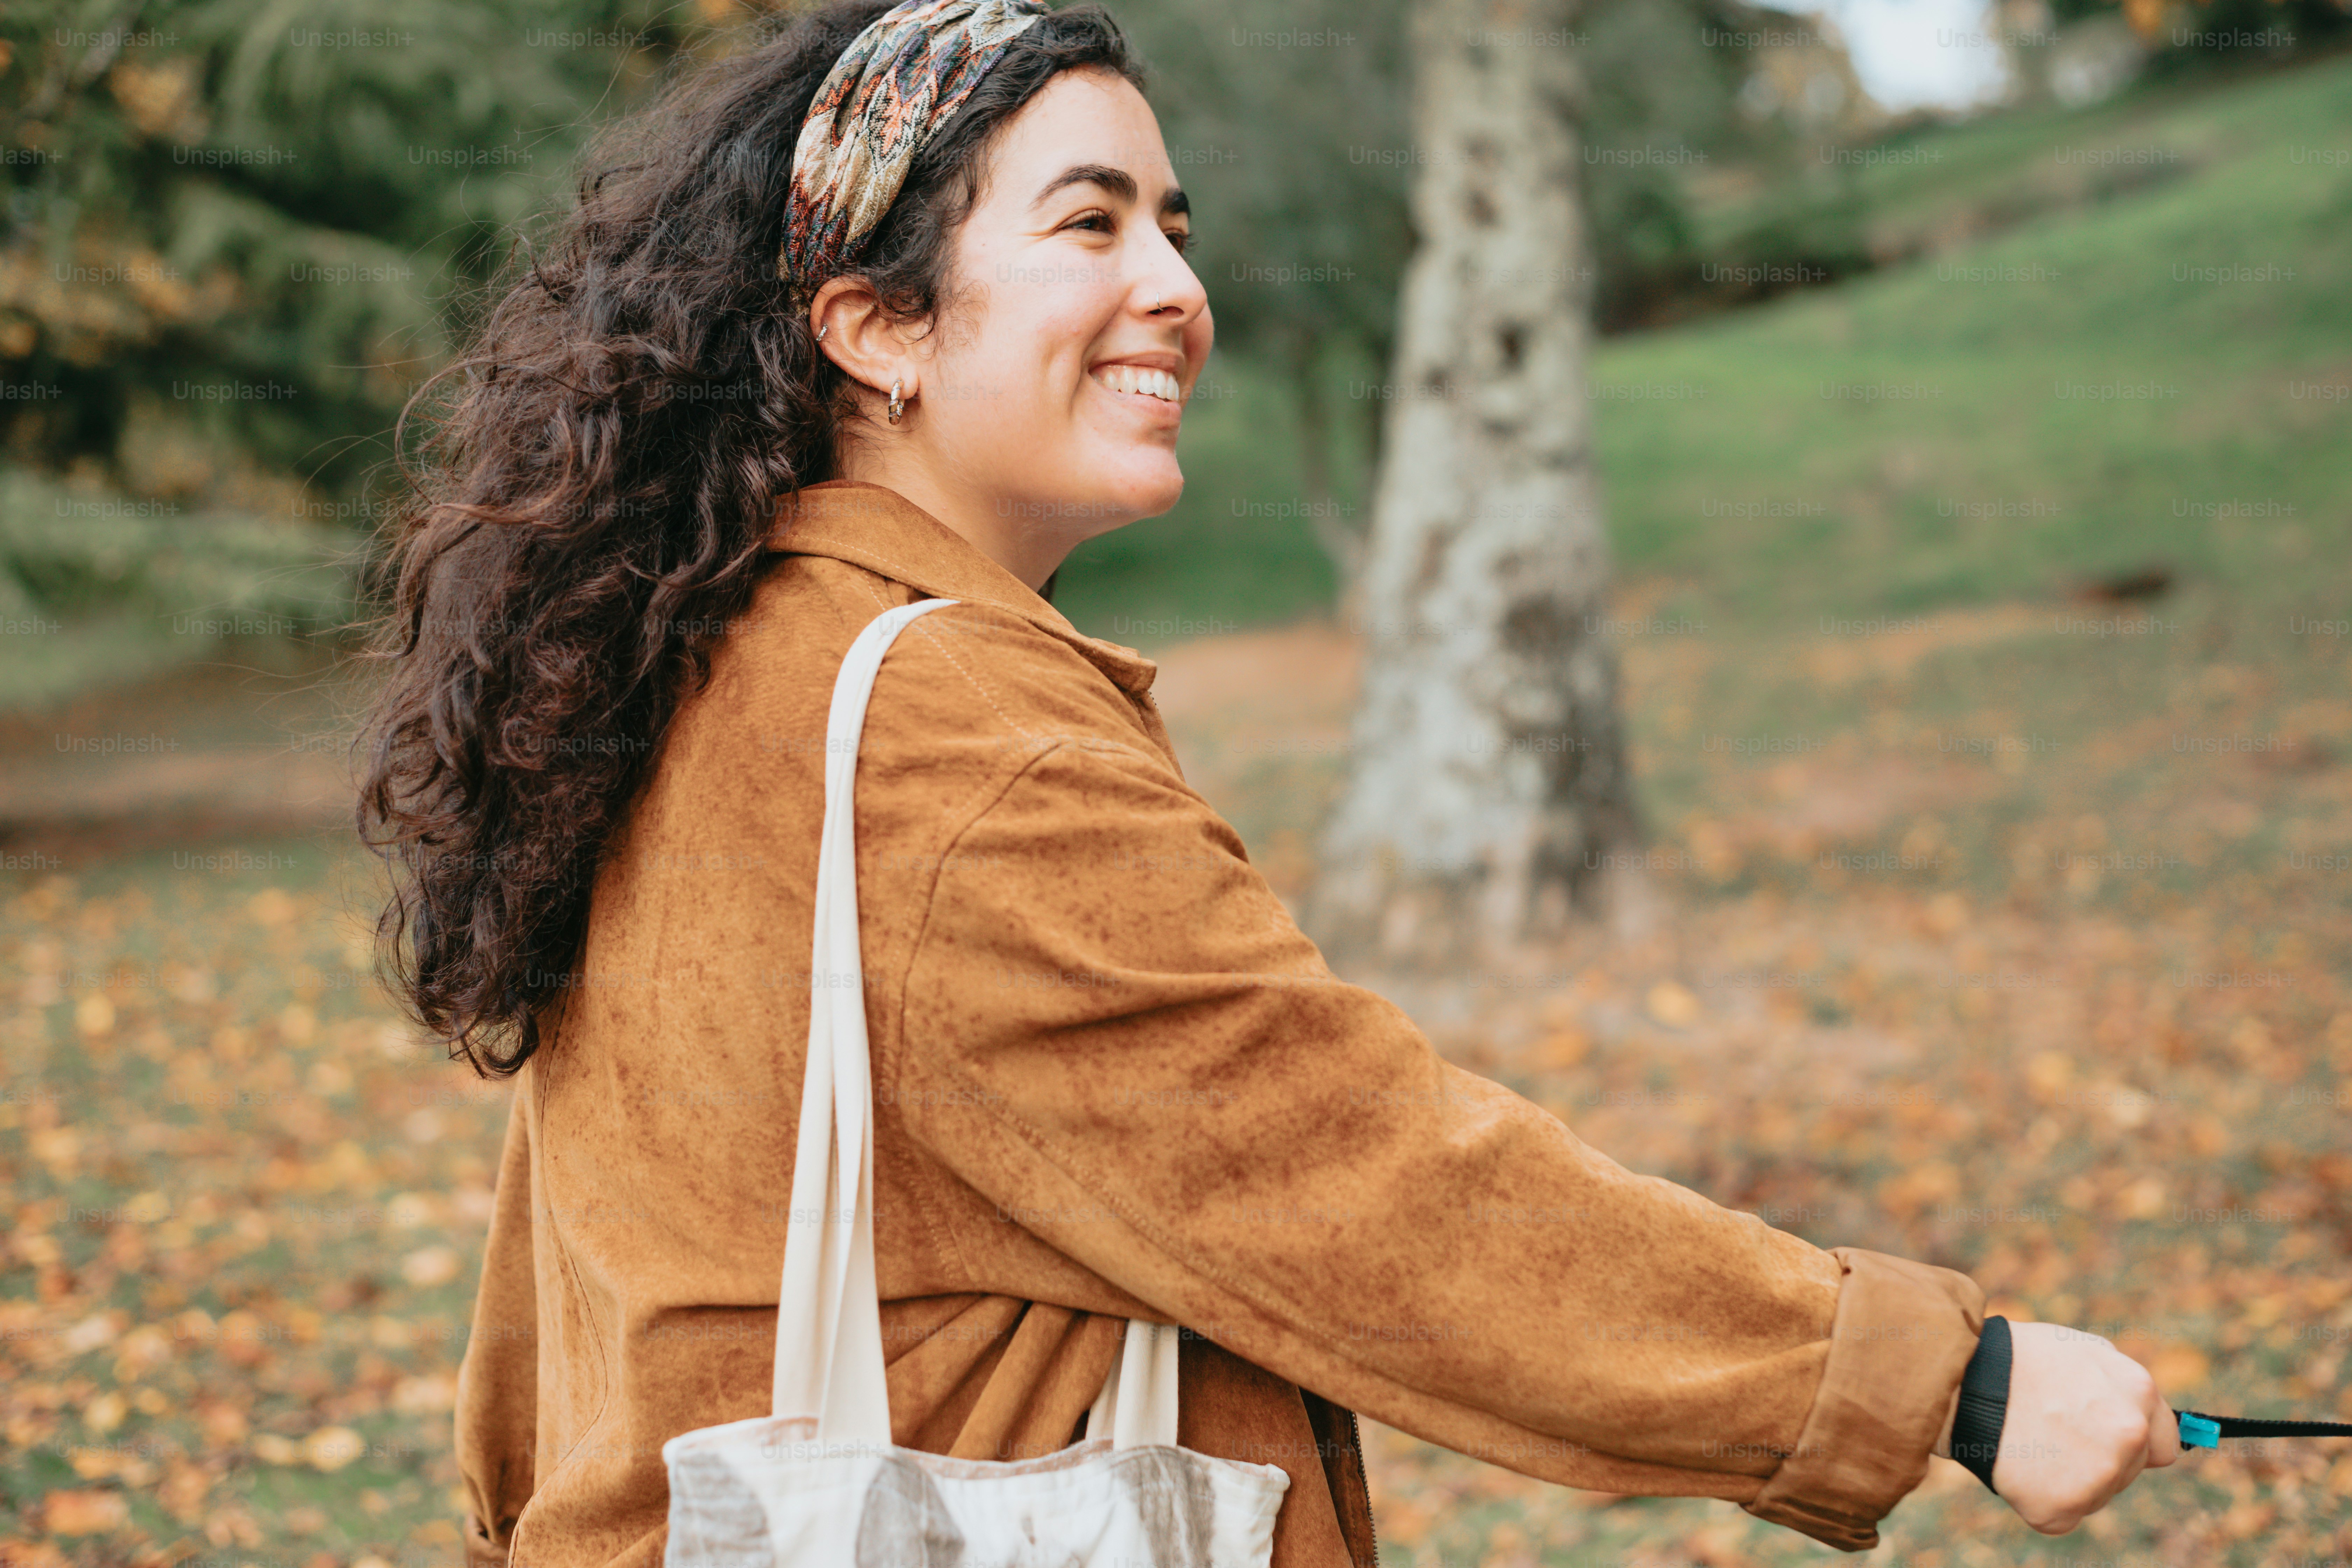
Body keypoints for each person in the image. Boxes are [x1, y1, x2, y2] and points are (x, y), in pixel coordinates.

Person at [355, 2, 2180, 1563]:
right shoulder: (940, 731)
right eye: (1089, 224)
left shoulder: (702, 658)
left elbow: (560, 1289)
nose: (1175, 286)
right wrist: (1949, 1378)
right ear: (878, 328)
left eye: (1173, 222)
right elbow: (1366, 1188)